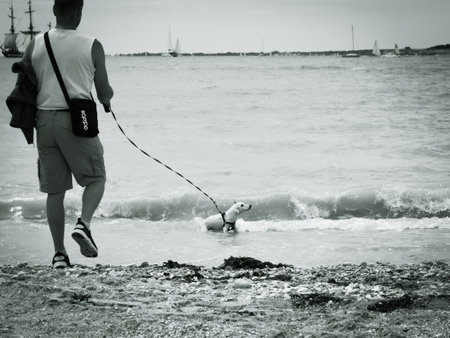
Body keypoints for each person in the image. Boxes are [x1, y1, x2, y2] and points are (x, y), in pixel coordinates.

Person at [22, 0, 114, 269]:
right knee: (96, 177)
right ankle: (83, 224)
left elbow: (26, 85)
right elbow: (104, 92)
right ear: (80, 12)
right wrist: (108, 100)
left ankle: (59, 255)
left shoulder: (35, 43)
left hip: (43, 122)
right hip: (76, 120)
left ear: (54, 11)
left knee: (55, 191)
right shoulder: (92, 44)